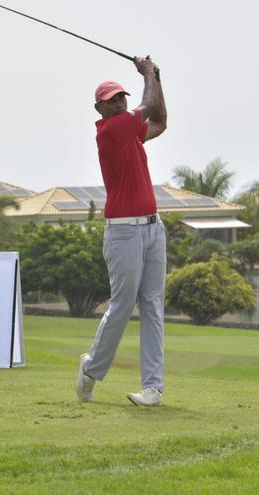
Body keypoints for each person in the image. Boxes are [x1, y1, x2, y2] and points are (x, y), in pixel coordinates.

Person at [76, 56, 168, 406]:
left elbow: (160, 119)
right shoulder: (110, 132)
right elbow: (148, 106)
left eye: (121, 97)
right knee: (122, 305)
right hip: (123, 234)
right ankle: (92, 369)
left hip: (152, 229)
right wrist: (148, 75)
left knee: (153, 307)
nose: (119, 102)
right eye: (112, 99)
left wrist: (156, 78)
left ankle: (152, 388)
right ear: (99, 107)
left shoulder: (132, 132)